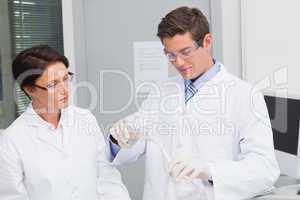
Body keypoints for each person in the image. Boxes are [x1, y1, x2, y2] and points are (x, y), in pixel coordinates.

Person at [107, 6, 280, 200]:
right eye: (170, 55)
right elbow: (135, 143)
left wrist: (210, 171)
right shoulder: (161, 93)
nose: (178, 62)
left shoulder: (244, 95)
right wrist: (118, 139)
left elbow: (264, 169)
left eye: (185, 52)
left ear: (207, 42)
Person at [0, 45, 131, 200]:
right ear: (29, 89)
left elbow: (106, 176)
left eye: (65, 79)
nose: (65, 90)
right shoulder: (12, 141)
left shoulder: (85, 119)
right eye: (53, 84)